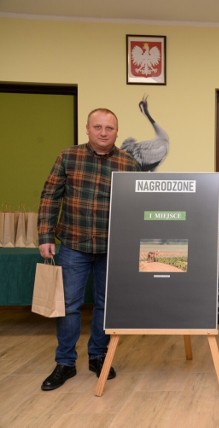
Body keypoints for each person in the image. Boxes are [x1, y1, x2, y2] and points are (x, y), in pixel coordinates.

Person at [38, 108, 141, 391]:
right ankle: (65, 363)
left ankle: (98, 357)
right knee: (69, 306)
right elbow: (50, 196)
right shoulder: (67, 157)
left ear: (117, 131)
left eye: (109, 128)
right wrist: (45, 235)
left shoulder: (128, 164)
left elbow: (135, 210)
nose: (103, 132)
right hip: (74, 244)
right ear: (87, 128)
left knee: (106, 306)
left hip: (112, 248)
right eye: (98, 127)